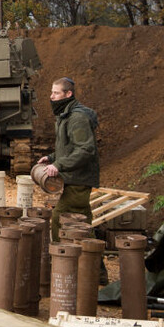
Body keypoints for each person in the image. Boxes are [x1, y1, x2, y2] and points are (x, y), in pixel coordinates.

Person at [37, 77, 100, 242]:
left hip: (79, 179)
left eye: (56, 93)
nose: (52, 96)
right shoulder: (65, 115)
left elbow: (86, 149)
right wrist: (51, 158)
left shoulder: (77, 118)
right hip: (74, 177)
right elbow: (69, 147)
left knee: (60, 218)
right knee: (82, 220)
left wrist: (58, 165)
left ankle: (63, 259)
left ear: (68, 94)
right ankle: (93, 265)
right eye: (52, 92)